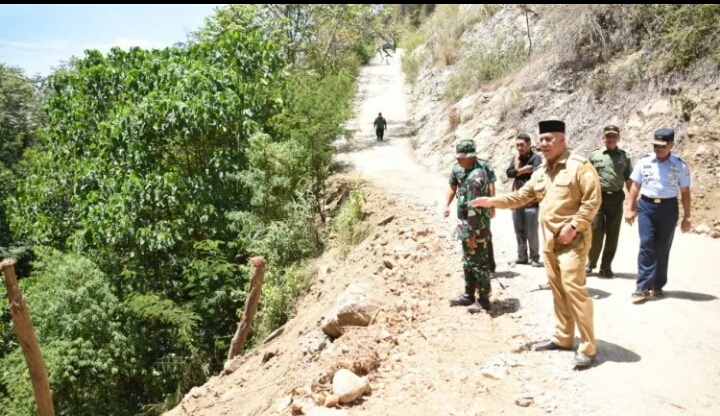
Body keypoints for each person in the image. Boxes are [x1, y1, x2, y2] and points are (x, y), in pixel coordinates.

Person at [469, 119, 602, 368]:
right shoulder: (541, 172)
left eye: (549, 139)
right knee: (559, 291)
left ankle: (587, 346)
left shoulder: (579, 167)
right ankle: (563, 338)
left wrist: (574, 226)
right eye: (541, 139)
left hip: (573, 240)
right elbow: (522, 196)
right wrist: (492, 201)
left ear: (563, 139)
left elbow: (592, 202)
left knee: (574, 290)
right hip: (550, 242)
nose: (544, 144)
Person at [624, 128, 692, 303]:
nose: (658, 149)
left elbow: (685, 192)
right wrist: (630, 207)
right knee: (647, 244)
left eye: (663, 146)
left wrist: (687, 217)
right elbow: (635, 186)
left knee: (662, 247)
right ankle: (642, 286)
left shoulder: (679, 165)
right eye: (655, 145)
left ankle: (658, 285)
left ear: (671, 145)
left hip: (668, 209)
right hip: (646, 206)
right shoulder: (644, 162)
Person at [445, 139, 494, 313]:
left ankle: (483, 300)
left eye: (461, 156)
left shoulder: (475, 177)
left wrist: (472, 233)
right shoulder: (470, 172)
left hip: (476, 227)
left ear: (471, 157)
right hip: (468, 224)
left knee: (479, 262)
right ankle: (469, 295)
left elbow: (475, 208)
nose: (458, 159)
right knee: (468, 261)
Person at [586, 125, 633, 277]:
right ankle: (591, 263)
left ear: (618, 138)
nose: (611, 139)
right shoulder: (594, 155)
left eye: (614, 136)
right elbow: (586, 178)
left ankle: (606, 267)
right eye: (608, 136)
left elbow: (629, 180)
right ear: (603, 138)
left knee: (613, 235)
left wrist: (632, 203)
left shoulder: (624, 157)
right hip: (598, 198)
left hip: (616, 198)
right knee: (595, 231)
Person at [506, 133, 543, 267]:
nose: (519, 148)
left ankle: (534, 258)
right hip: (517, 199)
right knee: (519, 230)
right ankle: (522, 257)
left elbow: (537, 174)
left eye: (522, 145)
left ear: (529, 144)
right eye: (517, 145)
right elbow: (509, 173)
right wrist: (521, 171)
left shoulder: (536, 158)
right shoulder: (516, 159)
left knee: (531, 231)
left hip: (531, 201)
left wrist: (520, 171)